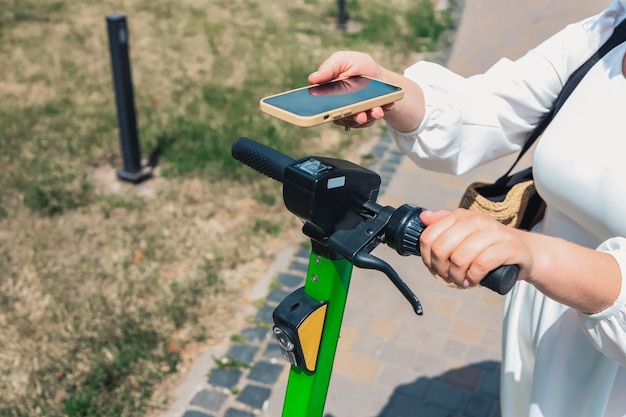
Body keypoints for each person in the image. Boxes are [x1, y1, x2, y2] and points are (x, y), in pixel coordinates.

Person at [309, 1, 626, 416]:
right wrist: (387, 89)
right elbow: (492, 106)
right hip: (543, 314)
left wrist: (533, 253)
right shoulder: (608, 33)